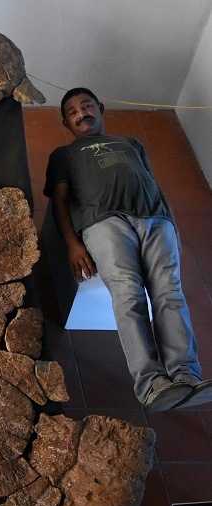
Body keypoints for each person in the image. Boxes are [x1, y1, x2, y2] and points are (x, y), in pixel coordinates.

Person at [44, 87, 212, 412]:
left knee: (170, 293)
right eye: (74, 111)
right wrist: (72, 244)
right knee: (128, 295)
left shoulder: (132, 143)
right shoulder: (63, 155)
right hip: (103, 223)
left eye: (87, 106)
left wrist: (173, 228)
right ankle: (152, 386)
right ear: (66, 122)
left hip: (154, 219)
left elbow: (154, 185)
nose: (82, 113)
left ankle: (187, 376)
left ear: (101, 108)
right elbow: (60, 202)